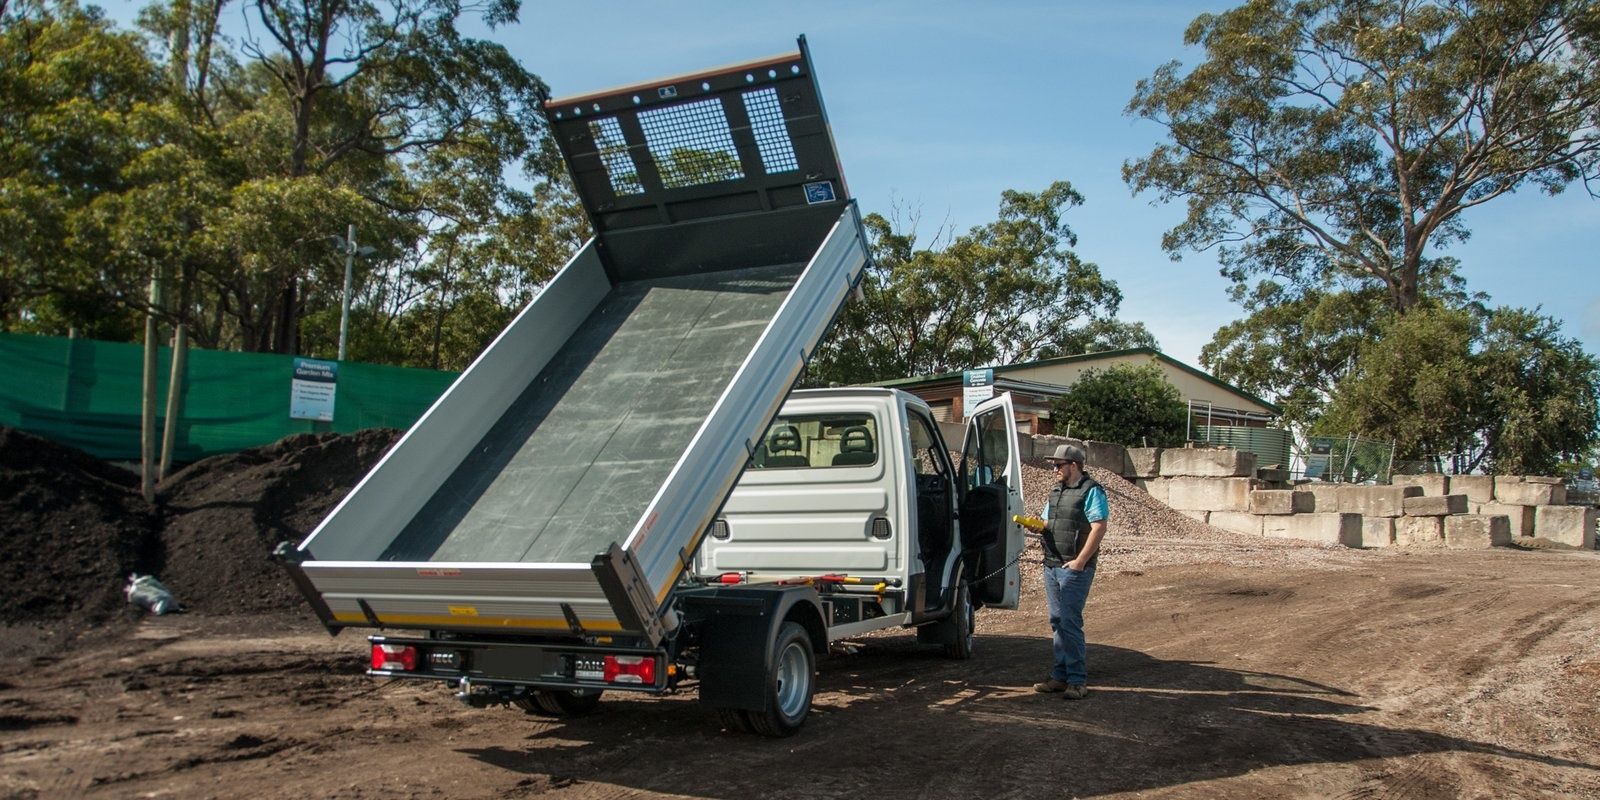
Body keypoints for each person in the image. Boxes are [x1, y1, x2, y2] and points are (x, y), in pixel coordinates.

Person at [1032, 443, 1107, 699]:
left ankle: (1077, 681)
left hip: (1074, 568)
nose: (1054, 469)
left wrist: (1080, 561)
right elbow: (1047, 521)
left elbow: (1098, 527)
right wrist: (1036, 525)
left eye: (1058, 465)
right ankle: (1060, 677)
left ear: (1073, 466)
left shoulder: (1091, 491)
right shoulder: (1056, 491)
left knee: (1069, 621)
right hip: (1052, 563)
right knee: (1057, 620)